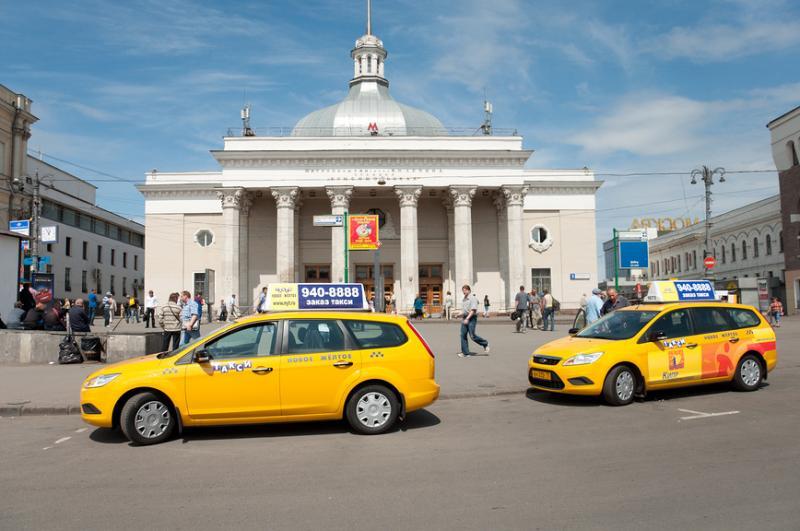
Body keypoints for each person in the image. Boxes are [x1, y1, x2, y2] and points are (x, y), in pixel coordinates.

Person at [459, 284, 490, 358]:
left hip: (472, 318)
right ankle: (465, 353)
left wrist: (467, 319)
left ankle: (485, 343)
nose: (464, 292)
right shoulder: (464, 299)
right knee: (463, 335)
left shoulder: (473, 298)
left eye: (465, 290)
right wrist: (458, 315)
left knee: (472, 336)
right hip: (465, 318)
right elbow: (465, 311)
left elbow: (473, 310)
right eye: (463, 290)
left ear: (469, 290)